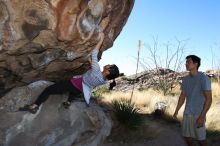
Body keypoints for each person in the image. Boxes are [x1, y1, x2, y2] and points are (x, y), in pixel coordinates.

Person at [19, 32, 120, 114]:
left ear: (108, 71)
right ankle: (68, 102)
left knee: (48, 90)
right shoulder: (104, 80)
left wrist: (101, 39)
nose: (108, 64)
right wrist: (90, 62)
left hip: (75, 84)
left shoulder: (97, 70)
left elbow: (94, 53)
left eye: (109, 66)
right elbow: (92, 74)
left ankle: (35, 106)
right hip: (83, 89)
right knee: (74, 93)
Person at [173, 55, 212, 146]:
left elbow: (209, 99)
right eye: (186, 62)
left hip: (198, 114)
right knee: (187, 137)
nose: (186, 64)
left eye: (188, 62)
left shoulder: (203, 78)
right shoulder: (186, 79)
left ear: (196, 64)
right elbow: (182, 96)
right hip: (187, 113)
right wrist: (176, 111)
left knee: (201, 140)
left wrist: (202, 116)